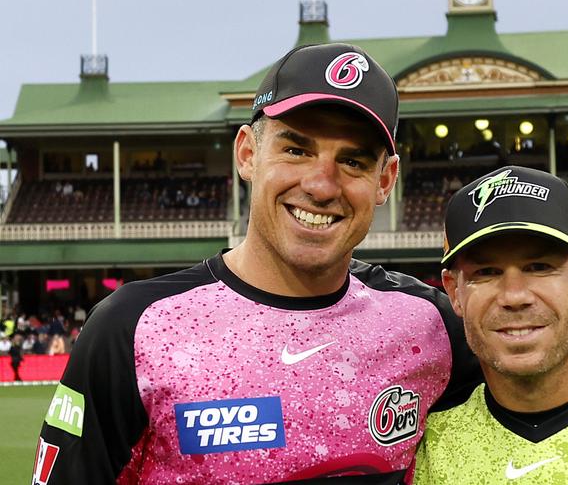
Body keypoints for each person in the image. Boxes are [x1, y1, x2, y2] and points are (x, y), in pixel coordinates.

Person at [34, 43, 480, 484]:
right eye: (296, 150)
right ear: (247, 154)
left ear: (385, 181)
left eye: (352, 160)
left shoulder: (432, 325)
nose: (322, 185)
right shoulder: (133, 328)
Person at [415, 166, 568, 483]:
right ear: (454, 292)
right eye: (486, 272)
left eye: (539, 267)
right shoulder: (431, 444)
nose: (514, 296)